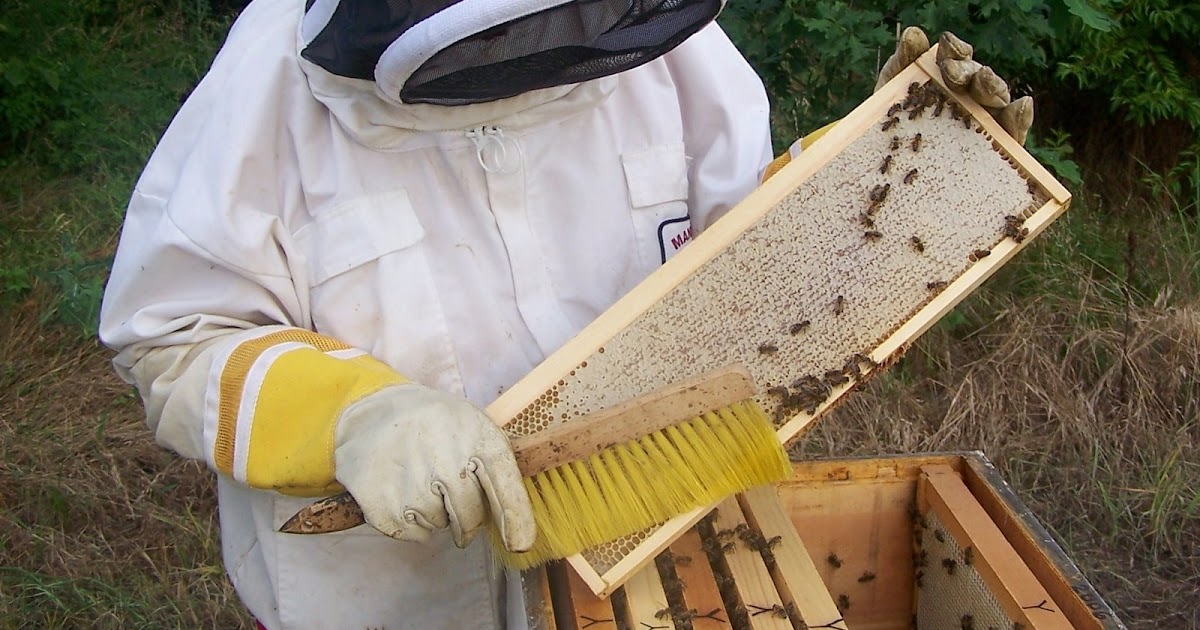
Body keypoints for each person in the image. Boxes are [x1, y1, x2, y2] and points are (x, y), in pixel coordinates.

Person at [99, 0, 1030, 625]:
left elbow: (744, 269)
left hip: (653, 564)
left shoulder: (670, 56)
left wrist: (881, 183)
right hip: (389, 603)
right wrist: (351, 414)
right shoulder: (264, 95)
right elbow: (175, 335)